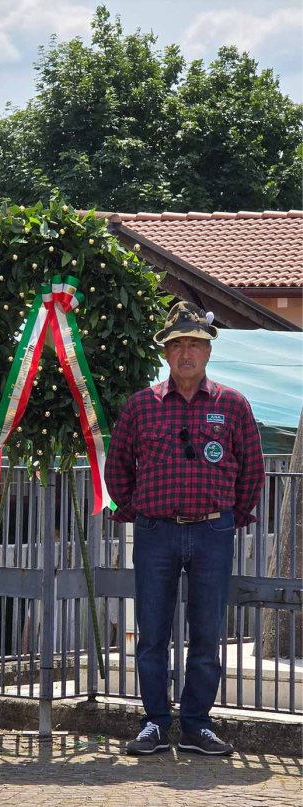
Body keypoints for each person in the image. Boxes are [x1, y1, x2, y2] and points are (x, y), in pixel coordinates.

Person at [104, 301, 265, 756]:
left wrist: (231, 516)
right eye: (177, 345)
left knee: (207, 634)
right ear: (166, 353)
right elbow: (118, 469)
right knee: (151, 634)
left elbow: (252, 469)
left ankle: (196, 725)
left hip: (213, 533)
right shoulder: (141, 406)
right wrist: (139, 511)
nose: (186, 353)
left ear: (208, 351)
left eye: (195, 344)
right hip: (155, 533)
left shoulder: (233, 404)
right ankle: (154, 722)